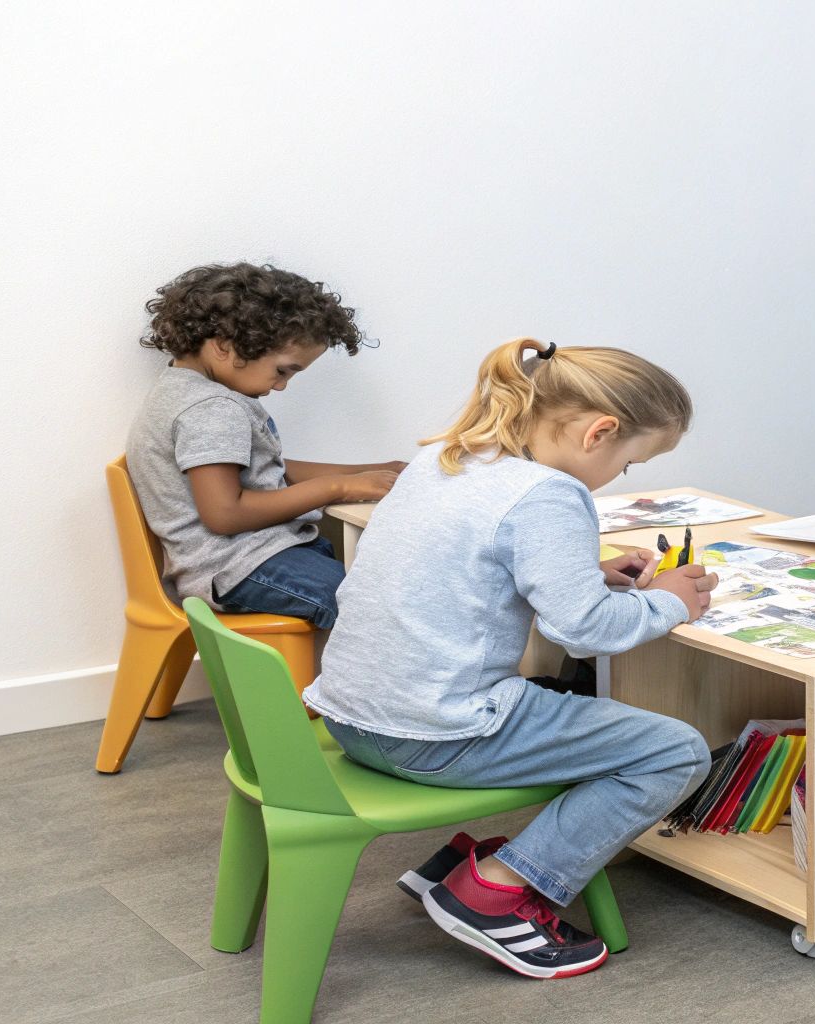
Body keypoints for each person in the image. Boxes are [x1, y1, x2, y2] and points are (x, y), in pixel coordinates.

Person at [304, 338, 718, 978]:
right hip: (436, 734)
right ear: (599, 432)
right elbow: (586, 633)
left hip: (352, 720)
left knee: (579, 709)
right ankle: (494, 890)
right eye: (630, 463)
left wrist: (585, 571)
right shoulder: (549, 493)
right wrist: (670, 602)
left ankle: (472, 864)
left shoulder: (444, 459)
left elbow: (470, 563)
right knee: (675, 750)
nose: (622, 476)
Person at [126, 262, 402, 629]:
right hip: (238, 567)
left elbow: (269, 470)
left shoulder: (187, 391)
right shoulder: (211, 409)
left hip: (252, 557)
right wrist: (338, 487)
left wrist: (366, 472)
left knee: (375, 581)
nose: (282, 386)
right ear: (225, 346)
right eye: (283, 370)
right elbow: (224, 514)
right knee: (374, 608)